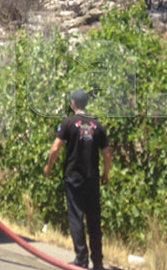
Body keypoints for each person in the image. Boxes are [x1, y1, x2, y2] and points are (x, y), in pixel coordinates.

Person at [44, 89, 112, 270]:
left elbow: (55, 148)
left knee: (76, 217)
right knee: (94, 219)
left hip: (73, 177)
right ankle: (97, 262)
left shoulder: (68, 123)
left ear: (73, 103)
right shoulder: (98, 126)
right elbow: (107, 153)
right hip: (92, 179)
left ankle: (81, 260)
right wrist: (106, 174)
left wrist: (49, 167)